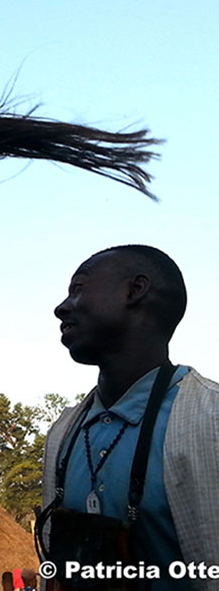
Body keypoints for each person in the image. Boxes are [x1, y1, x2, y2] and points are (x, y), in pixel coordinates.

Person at [40, 245, 219, 590]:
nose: (61, 308)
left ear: (135, 291)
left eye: (78, 289)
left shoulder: (210, 421)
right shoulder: (63, 433)